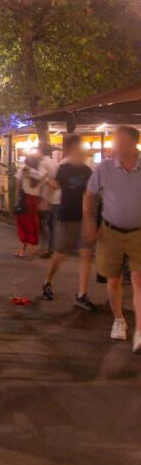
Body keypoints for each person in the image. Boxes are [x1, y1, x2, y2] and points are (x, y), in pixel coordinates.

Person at [83, 126, 141, 351]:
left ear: (132, 144)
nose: (114, 145)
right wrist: (89, 222)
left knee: (138, 279)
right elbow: (89, 195)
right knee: (113, 279)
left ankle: (139, 331)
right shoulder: (104, 168)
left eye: (118, 141)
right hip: (110, 231)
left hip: (138, 231)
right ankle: (119, 320)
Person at [41, 134, 95, 310]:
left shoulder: (87, 171)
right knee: (60, 255)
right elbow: (55, 185)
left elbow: (92, 194)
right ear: (72, 148)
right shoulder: (64, 169)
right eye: (79, 146)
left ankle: (82, 295)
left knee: (86, 255)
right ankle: (47, 281)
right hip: (67, 217)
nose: (81, 149)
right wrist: (47, 191)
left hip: (84, 218)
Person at [15, 153, 44, 257]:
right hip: (35, 200)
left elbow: (17, 187)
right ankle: (31, 248)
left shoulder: (22, 171)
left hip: (25, 200)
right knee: (33, 222)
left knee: (23, 224)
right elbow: (42, 180)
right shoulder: (39, 172)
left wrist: (16, 199)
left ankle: (25, 250)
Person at [38, 142, 61, 257]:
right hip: (57, 197)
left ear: (41, 151)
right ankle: (52, 247)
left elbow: (41, 176)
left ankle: (46, 248)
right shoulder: (55, 162)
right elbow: (60, 178)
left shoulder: (42, 163)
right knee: (53, 224)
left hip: (47, 198)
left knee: (43, 224)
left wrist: (48, 182)